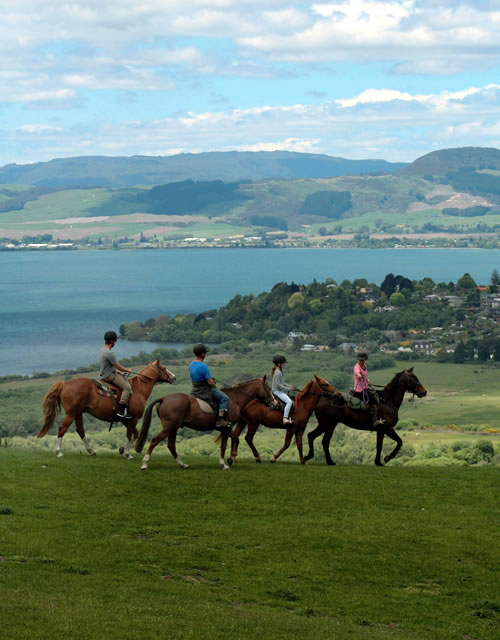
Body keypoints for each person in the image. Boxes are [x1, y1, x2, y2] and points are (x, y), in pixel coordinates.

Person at [189, 343, 230, 428]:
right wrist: (214, 386)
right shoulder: (203, 366)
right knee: (225, 398)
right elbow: (210, 382)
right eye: (205, 353)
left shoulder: (191, 364)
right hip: (205, 390)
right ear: (203, 354)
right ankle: (220, 420)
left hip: (195, 390)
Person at [98, 330, 134, 420]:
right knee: (127, 388)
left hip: (103, 373)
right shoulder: (110, 353)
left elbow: (107, 365)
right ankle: (121, 410)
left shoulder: (102, 349)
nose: (115, 343)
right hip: (110, 376)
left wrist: (116, 370)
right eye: (115, 341)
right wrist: (127, 370)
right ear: (112, 341)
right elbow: (118, 366)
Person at [353, 350, 384, 426]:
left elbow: (365, 375)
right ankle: (375, 420)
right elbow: (357, 372)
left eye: (362, 360)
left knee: (375, 395)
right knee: (373, 400)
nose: (361, 361)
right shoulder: (357, 366)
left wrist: (367, 380)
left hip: (365, 387)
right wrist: (358, 374)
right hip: (359, 389)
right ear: (358, 360)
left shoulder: (364, 366)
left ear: (365, 360)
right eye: (360, 360)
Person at [271, 354, 294, 425]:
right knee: (289, 402)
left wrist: (290, 386)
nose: (284, 364)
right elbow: (278, 385)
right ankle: (285, 418)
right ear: (279, 364)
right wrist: (288, 389)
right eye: (283, 363)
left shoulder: (278, 371)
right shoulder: (278, 373)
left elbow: (282, 383)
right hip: (277, 391)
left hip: (278, 390)